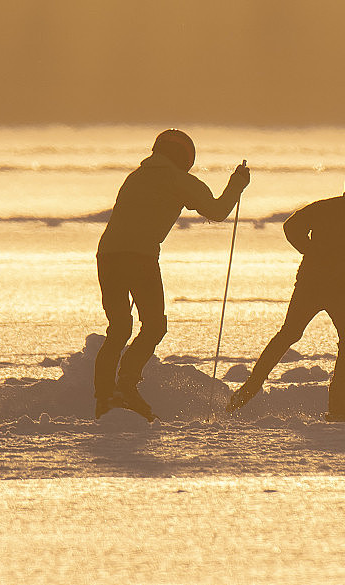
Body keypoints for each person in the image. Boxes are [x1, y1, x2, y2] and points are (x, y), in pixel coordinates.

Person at [227, 168, 345, 421]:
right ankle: (255, 390)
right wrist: (309, 249)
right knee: (312, 336)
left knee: (326, 338)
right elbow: (291, 227)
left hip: (328, 286)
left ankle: (333, 401)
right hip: (322, 286)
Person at [95, 129, 250, 420]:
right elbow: (217, 210)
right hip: (140, 258)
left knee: (118, 329)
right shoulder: (178, 180)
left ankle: (105, 397)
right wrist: (237, 184)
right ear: (183, 157)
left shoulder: (136, 176)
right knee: (153, 327)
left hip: (108, 256)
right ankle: (126, 386)